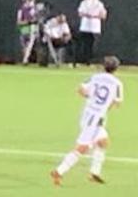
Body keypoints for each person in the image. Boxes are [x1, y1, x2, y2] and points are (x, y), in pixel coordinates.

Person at [51, 56, 123, 186]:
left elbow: (80, 90)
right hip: (96, 119)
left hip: (87, 114)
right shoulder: (117, 83)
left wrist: (90, 97)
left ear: (104, 66)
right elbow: (117, 102)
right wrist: (104, 107)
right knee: (83, 147)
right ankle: (59, 171)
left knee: (103, 142)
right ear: (116, 69)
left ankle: (94, 173)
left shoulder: (95, 77)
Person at [75, 0, 107, 67]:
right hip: (89, 28)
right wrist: (93, 15)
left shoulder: (97, 4)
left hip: (91, 28)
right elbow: (103, 15)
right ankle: (85, 61)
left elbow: (80, 13)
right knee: (87, 45)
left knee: (87, 45)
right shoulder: (97, 3)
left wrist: (92, 16)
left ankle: (87, 61)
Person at [17, 0, 41, 64]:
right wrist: (27, 22)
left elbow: (37, 19)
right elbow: (19, 22)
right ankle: (26, 58)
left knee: (30, 44)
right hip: (24, 30)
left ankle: (26, 59)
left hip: (32, 29)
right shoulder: (21, 9)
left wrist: (34, 22)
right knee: (25, 46)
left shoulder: (36, 8)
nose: (30, 0)